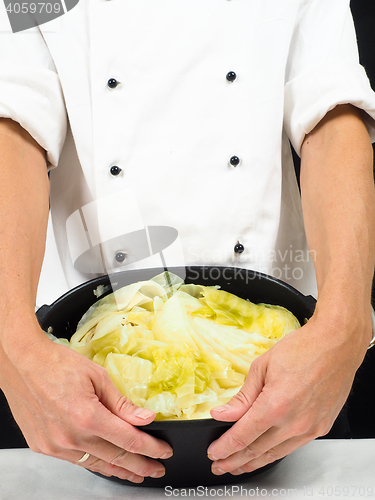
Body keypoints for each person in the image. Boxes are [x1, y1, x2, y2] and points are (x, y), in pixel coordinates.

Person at [0, 0, 375, 483]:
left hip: (284, 375)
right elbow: (13, 119)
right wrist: (13, 344)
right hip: (81, 387)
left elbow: (332, 111)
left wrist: (345, 327)